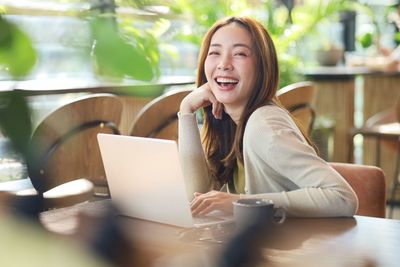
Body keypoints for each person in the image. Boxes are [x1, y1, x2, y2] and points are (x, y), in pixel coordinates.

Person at [178, 16, 358, 217]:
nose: (224, 64)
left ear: (263, 67)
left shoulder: (264, 126)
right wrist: (186, 111)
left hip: (299, 246)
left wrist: (240, 202)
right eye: (215, 52)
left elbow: (343, 197)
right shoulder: (229, 123)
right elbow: (196, 197)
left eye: (239, 53)